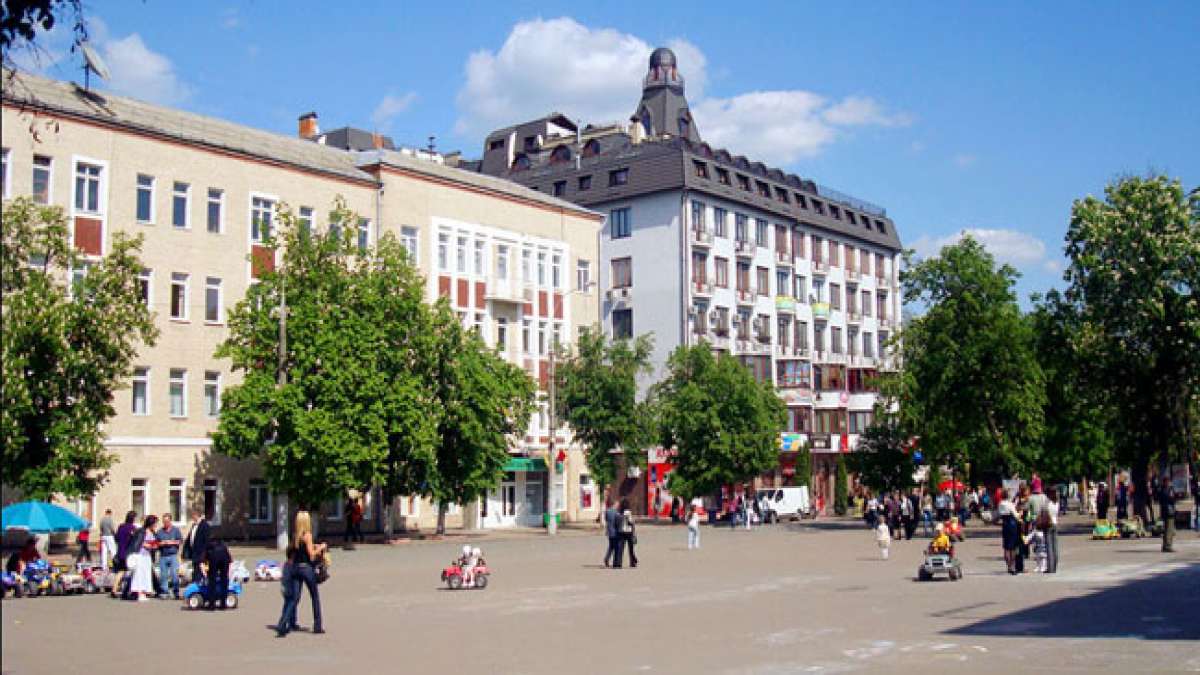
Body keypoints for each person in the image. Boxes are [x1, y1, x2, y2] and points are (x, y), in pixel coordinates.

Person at [277, 510, 326, 636]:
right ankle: (317, 625)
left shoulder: (295, 536)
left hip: (295, 568)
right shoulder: (307, 535)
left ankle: (284, 623)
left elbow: (296, 551)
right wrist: (320, 548)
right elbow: (311, 555)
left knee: (294, 598)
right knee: (314, 596)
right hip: (306, 569)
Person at [129, 515, 158, 602]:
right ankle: (140, 593)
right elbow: (139, 542)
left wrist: (154, 545)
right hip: (141, 555)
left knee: (146, 574)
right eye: (155, 523)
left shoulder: (151, 532)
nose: (156, 525)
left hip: (147, 555)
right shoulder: (143, 531)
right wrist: (148, 545)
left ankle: (144, 592)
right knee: (140, 574)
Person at [155, 513, 183, 599]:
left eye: (167, 521)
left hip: (173, 555)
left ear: (170, 521)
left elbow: (180, 541)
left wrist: (172, 542)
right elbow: (156, 543)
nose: (165, 523)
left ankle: (176, 591)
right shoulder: (160, 532)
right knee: (163, 575)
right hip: (163, 555)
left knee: (174, 574)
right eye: (164, 521)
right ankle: (164, 591)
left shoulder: (176, 530)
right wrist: (162, 543)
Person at [112, 511, 138, 598]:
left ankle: (114, 590)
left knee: (121, 571)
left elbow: (116, 538)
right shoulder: (132, 528)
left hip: (120, 552)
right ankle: (130, 590)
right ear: (133, 519)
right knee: (133, 572)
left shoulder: (121, 526)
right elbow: (134, 541)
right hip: (128, 553)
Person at [182, 509, 210, 584]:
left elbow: (206, 541)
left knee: (200, 571)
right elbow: (190, 538)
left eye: (193, 515)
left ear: (197, 515)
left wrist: (204, 554)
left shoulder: (205, 525)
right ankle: (196, 584)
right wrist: (185, 552)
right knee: (195, 570)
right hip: (194, 553)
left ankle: (199, 585)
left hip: (201, 553)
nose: (192, 517)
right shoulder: (194, 525)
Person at [204, 537, 232, 609]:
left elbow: (205, 558)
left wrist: (206, 571)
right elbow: (229, 558)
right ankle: (223, 604)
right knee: (224, 581)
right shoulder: (223, 545)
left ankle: (211, 604)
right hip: (225, 559)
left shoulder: (208, 545)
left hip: (214, 558)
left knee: (212, 581)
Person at [1156, 476, 1177, 553]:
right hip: (1169, 511)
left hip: (1165, 511)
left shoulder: (1161, 490)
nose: (1169, 483)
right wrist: (1173, 496)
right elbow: (1171, 499)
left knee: (1166, 529)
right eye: (1168, 482)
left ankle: (1165, 545)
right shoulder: (1167, 490)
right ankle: (1168, 545)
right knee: (1169, 529)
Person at [1045, 489, 1061, 573]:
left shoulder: (1047, 503)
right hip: (1055, 523)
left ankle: (1050, 567)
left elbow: (1045, 512)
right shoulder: (1057, 503)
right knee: (1055, 546)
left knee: (1049, 547)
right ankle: (1054, 566)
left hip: (1048, 524)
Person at [619, 498, 638, 568]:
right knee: (631, 548)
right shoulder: (627, 512)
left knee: (621, 548)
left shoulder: (620, 512)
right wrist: (633, 522)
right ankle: (632, 562)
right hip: (628, 531)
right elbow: (629, 522)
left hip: (622, 531)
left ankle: (619, 562)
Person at [603, 499, 621, 568]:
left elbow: (606, 520)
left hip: (609, 531)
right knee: (615, 547)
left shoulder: (607, 511)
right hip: (615, 532)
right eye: (617, 505)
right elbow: (618, 522)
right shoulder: (616, 512)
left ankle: (607, 559)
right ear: (614, 504)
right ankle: (613, 561)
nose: (618, 506)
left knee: (611, 546)